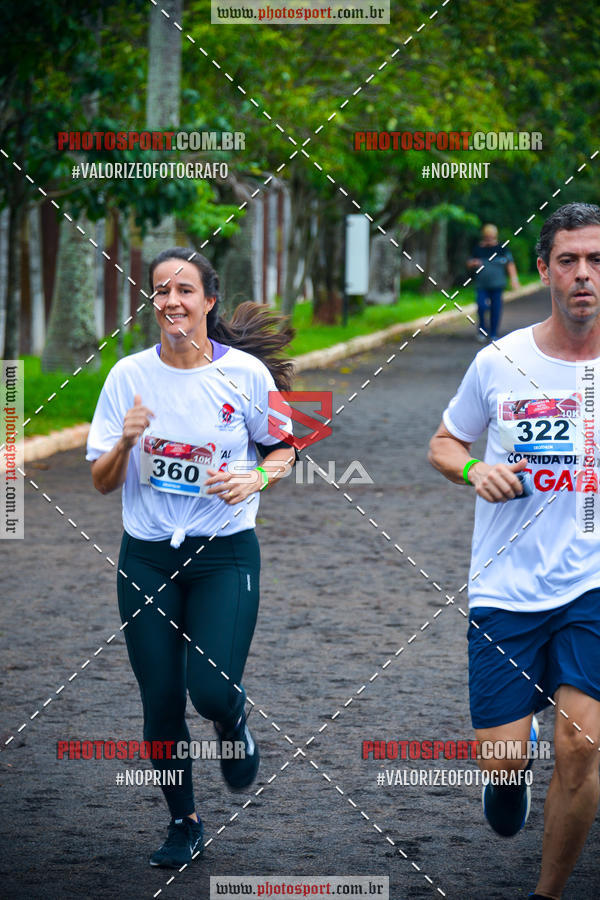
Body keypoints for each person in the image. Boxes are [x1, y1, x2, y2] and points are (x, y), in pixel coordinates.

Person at [86, 248, 296, 868]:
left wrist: (256, 479)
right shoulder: (127, 376)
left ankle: (233, 723)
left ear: (208, 300)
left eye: (184, 290)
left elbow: (286, 448)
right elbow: (101, 482)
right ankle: (184, 822)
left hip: (225, 554)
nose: (171, 301)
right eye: (159, 291)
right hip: (147, 559)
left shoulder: (248, 376)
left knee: (209, 689)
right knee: (160, 699)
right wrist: (125, 441)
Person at [429, 202, 600, 899]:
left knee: (581, 748)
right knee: (502, 767)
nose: (585, 274)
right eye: (570, 260)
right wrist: (474, 471)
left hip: (591, 584)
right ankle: (510, 766)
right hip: (505, 589)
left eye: (597, 261)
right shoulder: (499, 361)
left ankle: (548, 893)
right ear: (543, 270)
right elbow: (444, 443)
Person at [467, 223, 520, 342]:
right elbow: (469, 263)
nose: (489, 238)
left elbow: (510, 264)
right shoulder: (478, 249)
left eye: (491, 236)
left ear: (495, 236)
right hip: (482, 284)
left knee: (496, 308)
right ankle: (482, 331)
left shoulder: (502, 249)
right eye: (487, 236)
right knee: (481, 306)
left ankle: (493, 333)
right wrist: (473, 263)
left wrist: (514, 280)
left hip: (497, 284)